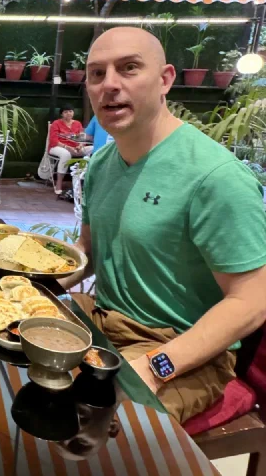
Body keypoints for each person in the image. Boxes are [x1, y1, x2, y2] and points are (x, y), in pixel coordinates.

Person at [63, 27, 266, 424]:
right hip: (105, 320)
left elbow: (251, 301)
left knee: (87, 426)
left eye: (129, 68)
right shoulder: (103, 165)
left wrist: (156, 368)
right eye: (97, 74)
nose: (110, 85)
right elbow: (88, 252)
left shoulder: (215, 177)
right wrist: (29, 278)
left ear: (165, 80)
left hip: (184, 348)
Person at [47, 104, 93, 195]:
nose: (68, 113)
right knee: (66, 154)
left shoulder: (77, 123)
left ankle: (84, 178)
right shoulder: (56, 123)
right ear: (61, 114)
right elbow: (53, 141)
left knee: (93, 149)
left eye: (70, 111)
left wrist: (80, 145)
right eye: (65, 112)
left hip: (75, 148)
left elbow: (82, 138)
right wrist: (68, 148)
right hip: (57, 147)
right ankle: (59, 183)